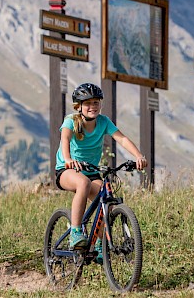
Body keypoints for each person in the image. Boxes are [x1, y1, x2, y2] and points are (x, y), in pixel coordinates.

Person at [55, 82, 147, 259]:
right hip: (67, 170)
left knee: (107, 200)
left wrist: (138, 156)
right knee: (83, 183)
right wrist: (68, 160)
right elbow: (65, 139)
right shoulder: (71, 121)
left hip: (91, 170)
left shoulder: (103, 122)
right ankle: (75, 232)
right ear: (79, 106)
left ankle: (99, 243)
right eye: (88, 103)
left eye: (96, 103)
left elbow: (122, 139)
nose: (92, 107)